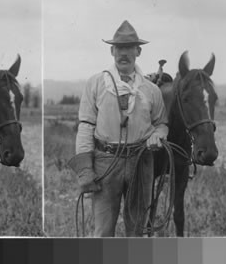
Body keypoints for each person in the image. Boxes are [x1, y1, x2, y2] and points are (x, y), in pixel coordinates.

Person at [68, 20, 169, 237]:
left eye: (129, 48)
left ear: (138, 51)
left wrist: (157, 137)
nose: (124, 53)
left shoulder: (151, 90)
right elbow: (86, 126)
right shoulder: (95, 84)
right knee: (103, 231)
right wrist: (85, 168)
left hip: (141, 162)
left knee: (137, 230)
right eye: (119, 48)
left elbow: (161, 124)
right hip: (106, 162)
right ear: (112, 51)